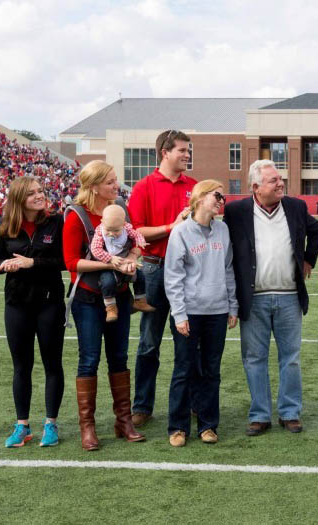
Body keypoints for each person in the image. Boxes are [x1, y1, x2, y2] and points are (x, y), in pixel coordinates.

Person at [223, 160, 318, 435]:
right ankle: (260, 414)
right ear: (255, 187)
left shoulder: (296, 207)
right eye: (273, 180)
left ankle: (290, 412)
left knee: (290, 357)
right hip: (253, 298)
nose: (280, 183)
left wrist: (308, 260)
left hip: (290, 297)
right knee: (254, 358)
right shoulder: (235, 212)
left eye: (280, 178)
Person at [62, 160, 145, 451]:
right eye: (110, 181)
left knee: (119, 357)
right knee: (89, 359)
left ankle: (124, 420)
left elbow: (133, 241)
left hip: (120, 293)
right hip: (87, 297)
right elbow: (71, 262)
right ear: (94, 186)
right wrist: (111, 262)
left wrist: (132, 259)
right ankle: (88, 426)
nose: (116, 185)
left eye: (115, 180)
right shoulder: (76, 215)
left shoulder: (119, 208)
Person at [128, 130, 197, 426]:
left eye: (188, 150)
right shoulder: (143, 187)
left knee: (188, 341)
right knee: (148, 342)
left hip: (189, 271)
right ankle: (142, 405)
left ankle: (190, 402)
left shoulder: (194, 186)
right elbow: (137, 232)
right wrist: (172, 227)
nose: (186, 154)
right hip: (155, 269)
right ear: (164, 152)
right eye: (181, 150)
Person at [0, 176, 66, 448]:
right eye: (32, 193)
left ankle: (51, 423)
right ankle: (22, 425)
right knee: (21, 366)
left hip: (49, 302)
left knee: (52, 364)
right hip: (17, 303)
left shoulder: (56, 222)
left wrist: (31, 262)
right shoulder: (5, 228)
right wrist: (5, 267)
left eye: (41, 191)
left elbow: (63, 261)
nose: (39, 195)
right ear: (19, 198)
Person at [163, 180, 238, 446]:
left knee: (211, 371)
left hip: (217, 311)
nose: (221, 201)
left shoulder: (223, 230)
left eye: (223, 197)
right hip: (190, 312)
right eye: (217, 195)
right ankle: (178, 427)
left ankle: (208, 425)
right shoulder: (181, 232)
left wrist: (233, 305)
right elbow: (173, 276)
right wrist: (179, 314)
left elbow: (229, 269)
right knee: (183, 369)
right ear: (200, 196)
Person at [89, 204, 154, 322]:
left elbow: (136, 234)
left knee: (140, 276)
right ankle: (110, 307)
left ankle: (140, 300)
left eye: (116, 231)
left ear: (123, 224)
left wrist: (140, 242)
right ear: (102, 221)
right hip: (108, 265)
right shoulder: (100, 232)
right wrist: (110, 259)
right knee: (107, 282)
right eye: (109, 230)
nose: (111, 234)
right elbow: (95, 249)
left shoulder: (127, 228)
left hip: (125, 260)